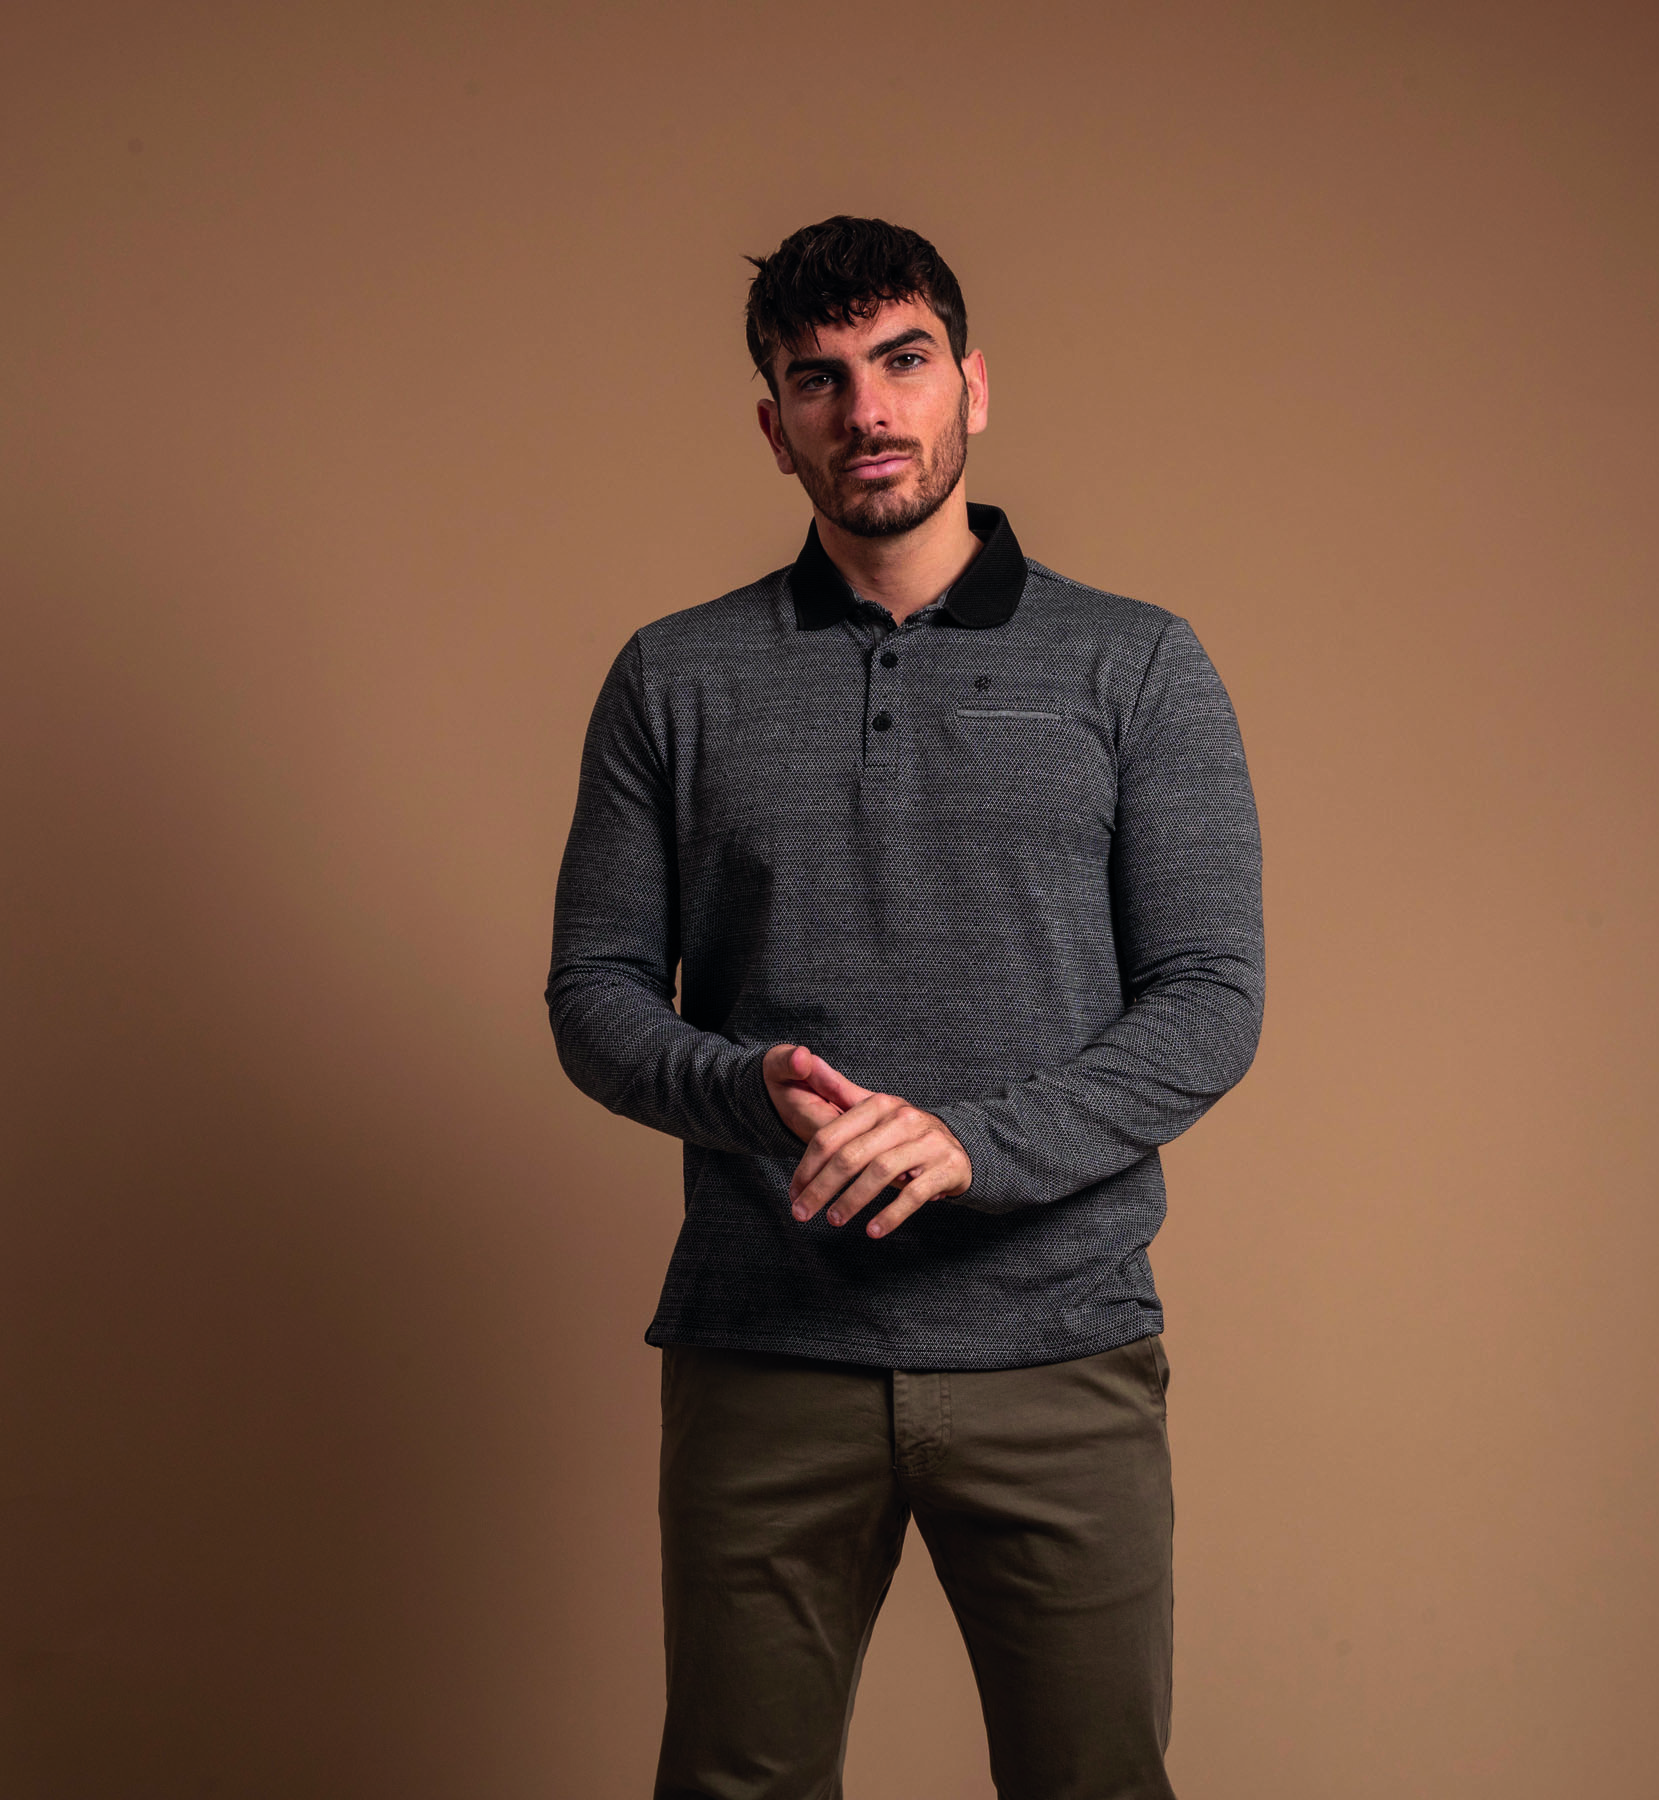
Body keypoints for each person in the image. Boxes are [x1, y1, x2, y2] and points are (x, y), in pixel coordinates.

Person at [546, 214, 1263, 1800]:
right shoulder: (675, 677)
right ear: (775, 425)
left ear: (973, 386)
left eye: (903, 360)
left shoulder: (1138, 666)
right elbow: (594, 995)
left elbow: (1210, 1000)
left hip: (1058, 1346)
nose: (866, 409)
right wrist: (743, 1088)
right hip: (765, 1345)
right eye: (820, 379)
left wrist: (970, 1145)